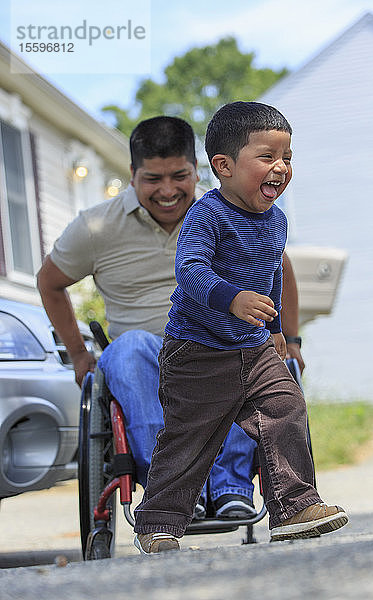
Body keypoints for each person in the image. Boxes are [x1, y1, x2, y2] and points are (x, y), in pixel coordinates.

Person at [37, 116, 304, 520]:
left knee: (239, 353)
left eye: (179, 176)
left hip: (217, 341)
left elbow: (277, 270)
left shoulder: (230, 211)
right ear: (131, 176)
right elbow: (49, 282)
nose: (167, 191)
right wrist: (78, 355)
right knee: (131, 348)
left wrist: (290, 338)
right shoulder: (96, 227)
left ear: (200, 170)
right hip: (141, 353)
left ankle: (230, 486)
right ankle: (178, 490)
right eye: (152, 179)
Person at [133, 102, 348, 555]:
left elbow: (271, 270)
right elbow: (190, 271)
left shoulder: (276, 220)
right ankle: (158, 523)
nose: (281, 168)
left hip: (253, 349)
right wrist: (232, 298)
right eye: (267, 157)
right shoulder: (207, 215)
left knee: (286, 407)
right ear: (223, 166)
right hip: (197, 352)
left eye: (287, 157)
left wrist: (275, 329)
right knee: (189, 438)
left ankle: (292, 509)